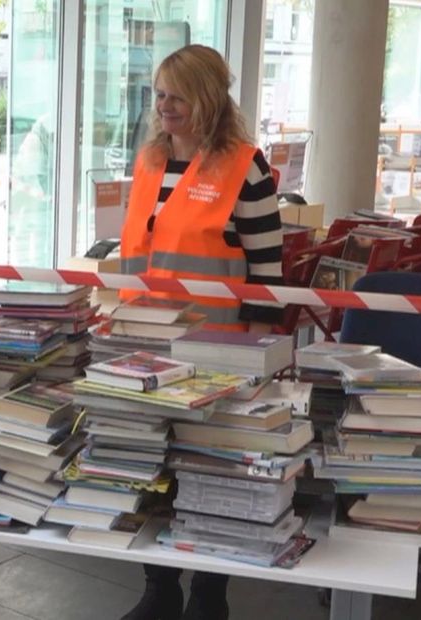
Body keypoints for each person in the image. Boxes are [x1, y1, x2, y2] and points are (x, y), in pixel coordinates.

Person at [119, 45, 284, 620]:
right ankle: (158, 587)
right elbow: (134, 254)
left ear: (209, 99)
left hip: (220, 353)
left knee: (210, 473)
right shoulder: (147, 162)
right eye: (158, 94)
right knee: (152, 466)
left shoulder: (245, 165)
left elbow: (268, 274)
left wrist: (256, 361)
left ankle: (210, 593)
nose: (163, 106)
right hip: (144, 348)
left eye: (177, 96)